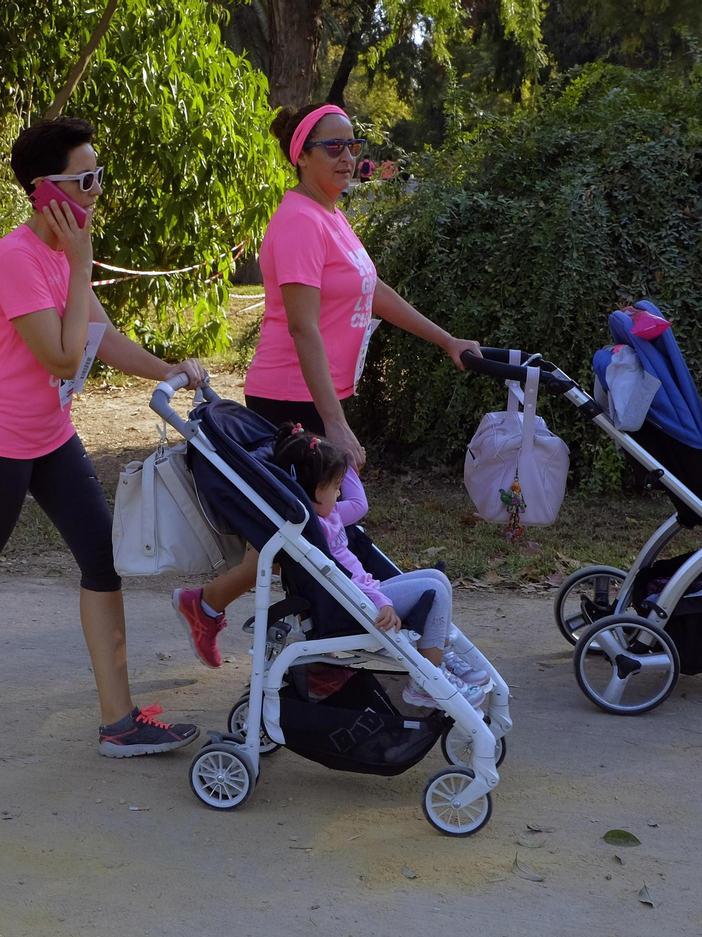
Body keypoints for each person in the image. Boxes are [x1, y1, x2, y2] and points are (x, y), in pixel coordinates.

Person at [0, 117, 206, 758]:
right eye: (84, 180)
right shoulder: (17, 259)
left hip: (51, 437)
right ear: (43, 191)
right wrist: (82, 259)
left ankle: (119, 722)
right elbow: (63, 358)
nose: (95, 191)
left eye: (99, 176)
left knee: (102, 559)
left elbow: (102, 339)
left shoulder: (63, 257)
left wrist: (171, 368)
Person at [172, 102, 481, 664]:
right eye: (332, 147)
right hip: (289, 396)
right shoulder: (296, 223)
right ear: (302, 157)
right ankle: (317, 654)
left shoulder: (331, 215)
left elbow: (372, 292)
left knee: (308, 530)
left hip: (319, 395)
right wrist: (334, 424)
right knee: (307, 532)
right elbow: (302, 328)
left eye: (353, 144)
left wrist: (446, 340)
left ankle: (211, 607)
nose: (347, 157)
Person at [267, 424, 488, 709]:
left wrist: (344, 463)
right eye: (333, 487)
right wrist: (381, 601)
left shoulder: (328, 514)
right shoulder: (313, 528)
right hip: (355, 604)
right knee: (437, 591)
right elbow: (339, 578)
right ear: (308, 492)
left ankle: (439, 656)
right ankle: (426, 682)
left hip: (364, 594)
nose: (338, 495)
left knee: (436, 578)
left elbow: (358, 504)